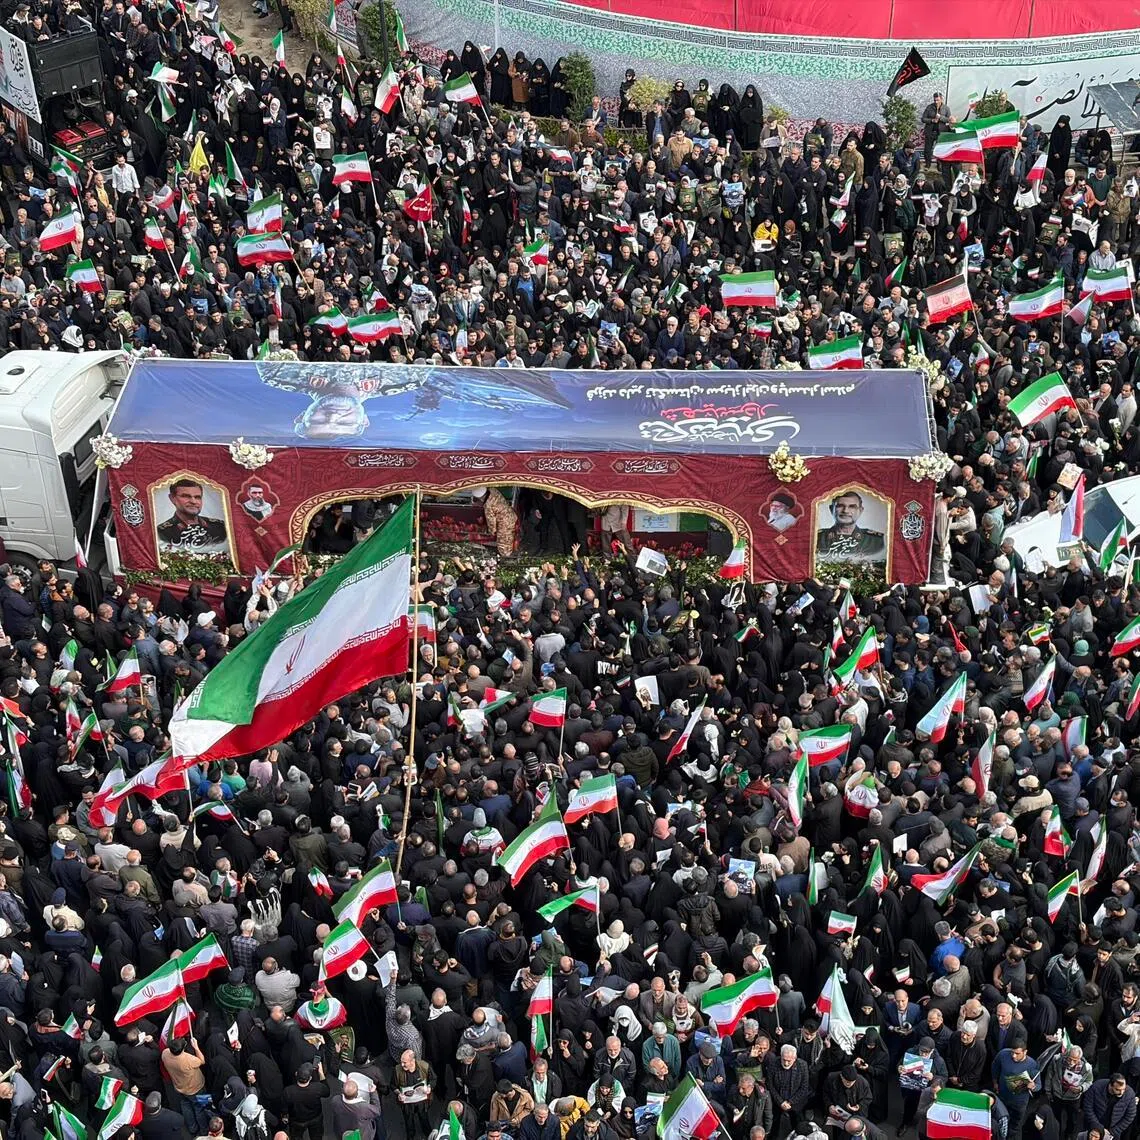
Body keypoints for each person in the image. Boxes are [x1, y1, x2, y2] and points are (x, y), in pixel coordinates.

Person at [156, 479, 229, 553]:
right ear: (172, 498)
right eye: (186, 496)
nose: (193, 502)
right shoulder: (161, 532)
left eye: (197, 497)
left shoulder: (220, 526)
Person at [815, 490, 887, 563]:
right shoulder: (816, 538)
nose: (845, 511)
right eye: (840, 506)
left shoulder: (876, 541)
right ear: (831, 509)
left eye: (852, 507)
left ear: (860, 511)